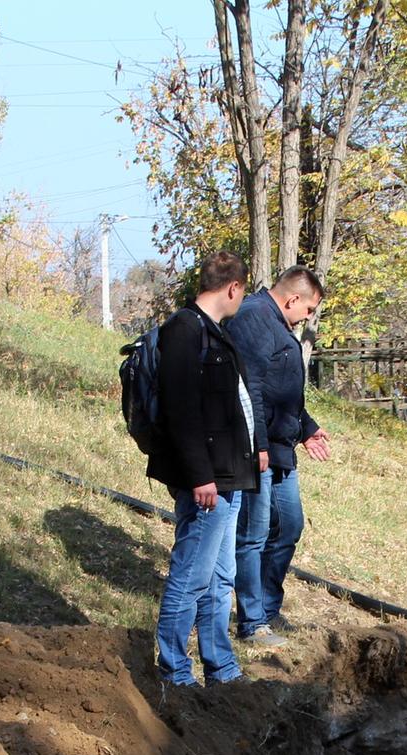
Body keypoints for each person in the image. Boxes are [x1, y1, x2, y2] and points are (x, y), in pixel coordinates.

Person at [145, 250, 267, 686]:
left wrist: (256, 450)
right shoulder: (184, 330)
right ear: (233, 287)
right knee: (191, 576)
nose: (242, 298)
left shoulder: (215, 332)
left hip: (230, 477)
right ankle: (174, 671)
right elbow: (181, 410)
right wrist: (200, 476)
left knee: (220, 578)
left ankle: (221, 667)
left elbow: (236, 402)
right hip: (207, 481)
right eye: (243, 291)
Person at [224, 265, 330, 645]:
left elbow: (281, 393)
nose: (308, 317)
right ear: (293, 298)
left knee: (289, 527)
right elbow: (248, 387)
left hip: (282, 450)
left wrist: (306, 427)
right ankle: (252, 623)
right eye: (309, 309)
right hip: (258, 450)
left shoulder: (278, 325)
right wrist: (259, 445)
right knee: (253, 535)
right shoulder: (254, 319)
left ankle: (268, 609)